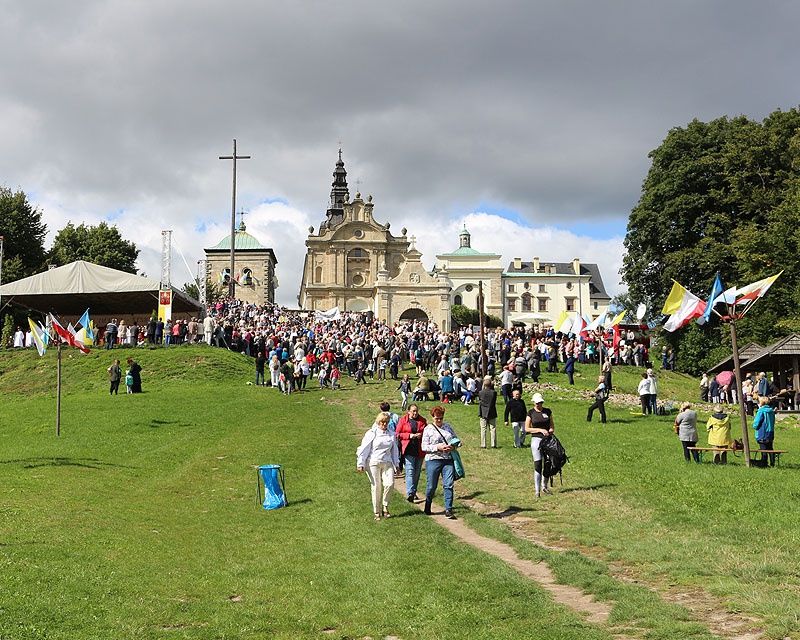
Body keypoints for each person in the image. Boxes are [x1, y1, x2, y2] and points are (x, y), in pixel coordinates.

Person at [356, 412, 400, 521]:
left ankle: (385, 506)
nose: (384, 424)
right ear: (378, 422)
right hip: (373, 462)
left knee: (390, 484)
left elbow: (395, 451)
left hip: (387, 462)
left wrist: (397, 464)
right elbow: (364, 449)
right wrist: (360, 463)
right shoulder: (371, 433)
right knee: (376, 487)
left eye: (386, 422)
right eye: (382, 422)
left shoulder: (391, 434)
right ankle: (377, 511)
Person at [421, 405, 460, 519]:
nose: (439, 420)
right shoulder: (428, 429)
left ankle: (448, 509)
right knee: (432, 486)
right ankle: (428, 504)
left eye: (441, 418)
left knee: (448, 484)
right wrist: (437, 447)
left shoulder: (448, 427)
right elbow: (424, 447)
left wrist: (452, 447)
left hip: (447, 460)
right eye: (437, 418)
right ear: (432, 417)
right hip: (433, 460)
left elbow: (456, 440)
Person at [395, 404, 427, 502]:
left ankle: (413, 491)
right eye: (413, 411)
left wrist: (420, 435)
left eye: (416, 411)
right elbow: (397, 434)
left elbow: (427, 434)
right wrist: (410, 436)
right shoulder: (403, 420)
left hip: (419, 450)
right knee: (410, 471)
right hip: (408, 449)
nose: (415, 413)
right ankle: (410, 493)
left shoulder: (423, 420)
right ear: (408, 411)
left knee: (417, 473)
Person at [524, 392, 554, 498]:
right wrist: (540, 430)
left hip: (548, 440)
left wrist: (550, 430)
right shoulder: (531, 413)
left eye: (540, 403)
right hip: (536, 439)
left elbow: (552, 426)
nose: (539, 405)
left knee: (548, 463)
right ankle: (537, 491)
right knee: (538, 464)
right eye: (537, 403)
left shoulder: (548, 411)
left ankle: (544, 486)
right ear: (534, 403)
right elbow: (527, 428)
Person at [752, 396, 776, 467]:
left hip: (762, 433)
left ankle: (764, 463)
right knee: (770, 448)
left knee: (763, 449)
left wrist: (755, 426)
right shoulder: (771, 411)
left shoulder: (761, 411)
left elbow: (756, 423)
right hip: (770, 432)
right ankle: (772, 463)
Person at [477, 378, 498, 448]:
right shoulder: (494, 393)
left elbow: (480, 401)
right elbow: (494, 402)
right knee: (493, 428)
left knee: (483, 429)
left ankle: (483, 444)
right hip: (492, 411)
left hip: (483, 412)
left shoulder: (481, 392)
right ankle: (493, 444)